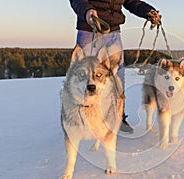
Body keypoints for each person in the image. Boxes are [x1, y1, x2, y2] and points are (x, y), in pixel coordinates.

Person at [69, 0, 161, 133]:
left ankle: (118, 117)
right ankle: (82, 118)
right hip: (89, 28)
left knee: (118, 77)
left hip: (113, 32)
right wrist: (87, 10)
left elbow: (132, 1)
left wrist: (148, 12)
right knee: (83, 76)